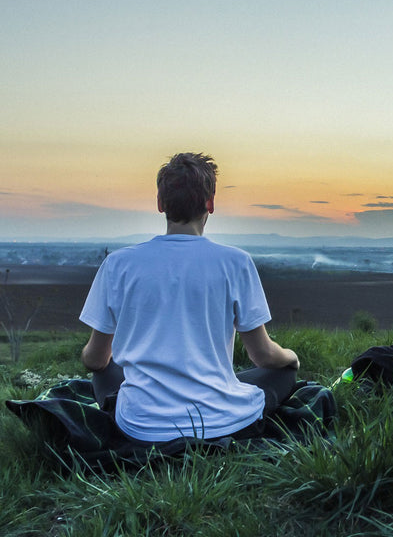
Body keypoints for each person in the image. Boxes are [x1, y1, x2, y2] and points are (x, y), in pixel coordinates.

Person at [79, 152, 299, 444]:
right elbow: (263, 356)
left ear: (160, 204)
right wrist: (291, 358)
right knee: (283, 373)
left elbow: (94, 360)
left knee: (105, 371)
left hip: (141, 426)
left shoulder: (119, 264)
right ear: (210, 203)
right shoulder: (236, 262)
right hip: (221, 421)